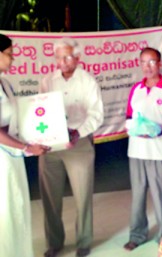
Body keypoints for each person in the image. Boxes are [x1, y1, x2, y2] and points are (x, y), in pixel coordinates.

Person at [38, 37, 104, 257]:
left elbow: (96, 116)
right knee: (50, 197)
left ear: (78, 57)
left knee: (83, 195)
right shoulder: (48, 80)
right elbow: (41, 110)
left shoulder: (88, 81)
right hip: (51, 147)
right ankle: (54, 242)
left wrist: (77, 132)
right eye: (58, 57)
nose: (62, 62)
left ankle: (84, 241)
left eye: (67, 57)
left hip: (79, 145)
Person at [123, 47, 162, 251]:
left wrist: (161, 130)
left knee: (161, 195)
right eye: (143, 62)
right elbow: (130, 117)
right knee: (138, 195)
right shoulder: (136, 90)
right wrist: (132, 128)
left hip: (159, 151)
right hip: (136, 150)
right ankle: (137, 234)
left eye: (152, 62)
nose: (147, 67)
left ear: (160, 64)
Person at [0, 33, 49, 257]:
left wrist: (32, 141)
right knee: (6, 210)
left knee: (17, 206)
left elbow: (14, 123)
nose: (12, 60)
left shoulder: (5, 83)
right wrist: (27, 148)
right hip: (3, 159)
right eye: (9, 55)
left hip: (12, 156)